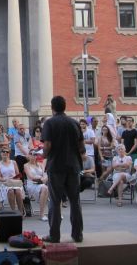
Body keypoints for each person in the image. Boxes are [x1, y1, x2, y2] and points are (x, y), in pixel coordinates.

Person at [42, 95, 85, 243]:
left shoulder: (49, 123)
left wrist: (43, 154)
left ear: (52, 107)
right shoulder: (74, 123)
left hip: (56, 166)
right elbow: (82, 147)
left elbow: (47, 145)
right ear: (65, 106)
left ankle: (54, 235)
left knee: (55, 201)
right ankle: (77, 234)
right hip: (73, 165)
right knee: (75, 201)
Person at [0, 148, 25, 216]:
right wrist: (6, 179)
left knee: (18, 191)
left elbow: (18, 174)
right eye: (3, 151)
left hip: (14, 181)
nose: (5, 153)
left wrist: (15, 179)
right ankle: (13, 211)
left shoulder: (13, 162)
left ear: (9, 154)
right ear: (1, 154)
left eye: (7, 152)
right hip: (5, 183)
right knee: (10, 191)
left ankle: (20, 212)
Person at [24, 150, 49, 221]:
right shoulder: (26, 165)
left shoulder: (40, 164)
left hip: (41, 184)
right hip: (31, 184)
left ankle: (57, 213)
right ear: (28, 156)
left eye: (35, 154)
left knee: (54, 188)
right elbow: (31, 177)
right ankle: (42, 214)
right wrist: (41, 178)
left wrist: (44, 178)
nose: (33, 156)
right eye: (31, 154)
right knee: (45, 188)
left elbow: (45, 174)